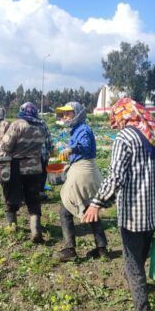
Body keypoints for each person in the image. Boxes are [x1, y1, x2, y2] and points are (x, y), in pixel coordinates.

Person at [83, 98, 155, 311]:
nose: (116, 123)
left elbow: (116, 177)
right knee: (140, 254)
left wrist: (97, 203)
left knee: (133, 262)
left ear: (123, 115)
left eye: (116, 118)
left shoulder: (125, 137)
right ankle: (134, 281)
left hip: (133, 214)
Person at [53, 102, 108, 262]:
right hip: (87, 171)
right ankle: (102, 249)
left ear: (77, 113)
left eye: (68, 113)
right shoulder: (77, 129)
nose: (65, 117)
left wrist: (71, 149)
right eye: (63, 114)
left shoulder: (83, 129)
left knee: (65, 209)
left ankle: (69, 249)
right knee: (90, 209)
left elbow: (84, 145)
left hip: (82, 172)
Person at [0, 102, 48, 243]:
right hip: (35, 167)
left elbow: (6, 146)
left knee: (11, 195)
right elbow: (45, 145)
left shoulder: (17, 124)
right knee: (33, 197)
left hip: (16, 166)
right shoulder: (42, 126)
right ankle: (36, 230)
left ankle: (12, 226)